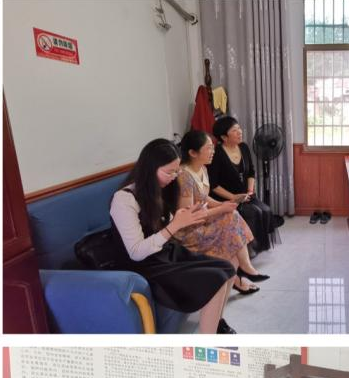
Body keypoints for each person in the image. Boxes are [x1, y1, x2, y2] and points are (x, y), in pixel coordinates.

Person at [108, 138, 237, 334]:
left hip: (165, 253)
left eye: (176, 171)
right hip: (143, 264)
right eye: (169, 172)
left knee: (227, 268)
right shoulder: (124, 199)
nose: (173, 177)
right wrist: (175, 225)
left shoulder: (160, 190)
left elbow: (166, 226)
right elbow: (136, 252)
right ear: (150, 169)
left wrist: (187, 217)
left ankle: (216, 323)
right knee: (216, 278)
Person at [175, 130, 266, 295]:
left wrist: (223, 204)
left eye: (212, 147)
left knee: (232, 214)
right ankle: (242, 271)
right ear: (193, 153)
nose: (213, 151)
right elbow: (188, 217)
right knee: (230, 218)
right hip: (189, 231)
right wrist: (221, 209)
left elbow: (204, 198)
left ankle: (243, 270)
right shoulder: (184, 177)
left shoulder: (202, 169)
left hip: (202, 219)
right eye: (208, 148)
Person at [208, 117, 280, 252]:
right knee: (253, 212)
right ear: (224, 137)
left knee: (266, 210)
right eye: (234, 130)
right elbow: (214, 185)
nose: (240, 132)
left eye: (239, 128)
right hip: (227, 197)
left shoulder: (244, 147)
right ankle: (246, 247)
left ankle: (257, 246)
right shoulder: (217, 153)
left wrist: (250, 191)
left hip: (246, 194)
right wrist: (234, 197)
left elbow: (251, 172)